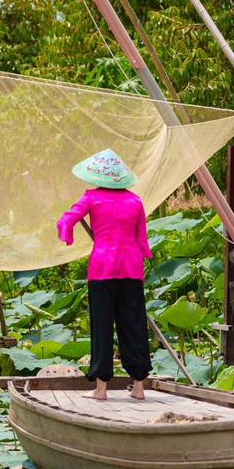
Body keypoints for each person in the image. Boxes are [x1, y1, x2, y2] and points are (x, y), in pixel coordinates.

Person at [57, 148, 153, 401]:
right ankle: (139, 387)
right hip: (131, 267)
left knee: (102, 327)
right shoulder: (135, 201)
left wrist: (66, 233)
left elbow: (67, 219)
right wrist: (144, 256)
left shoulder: (91, 198)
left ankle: (101, 389)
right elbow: (142, 238)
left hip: (102, 268)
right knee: (134, 325)